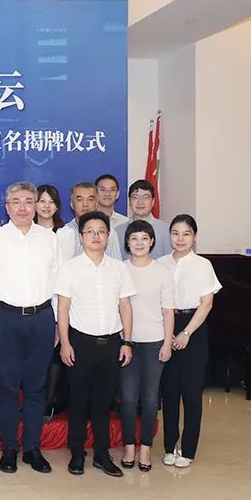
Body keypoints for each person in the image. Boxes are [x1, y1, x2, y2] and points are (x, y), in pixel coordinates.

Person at [0, 182, 59, 474]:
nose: (23, 207)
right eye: (16, 201)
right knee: (7, 387)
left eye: (29, 201)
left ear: (37, 205)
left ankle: (32, 448)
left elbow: (58, 283)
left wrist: (57, 323)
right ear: (7, 207)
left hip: (42, 318)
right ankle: (9, 449)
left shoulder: (50, 239)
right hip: (6, 318)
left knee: (36, 387)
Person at [55, 210, 135, 477]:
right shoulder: (70, 268)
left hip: (111, 343)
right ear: (81, 237)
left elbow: (125, 306)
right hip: (80, 342)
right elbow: (63, 308)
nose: (96, 236)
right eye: (90, 231)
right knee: (78, 401)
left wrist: (127, 342)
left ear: (108, 236)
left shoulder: (119, 268)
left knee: (103, 403)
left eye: (101, 231)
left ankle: (102, 454)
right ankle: (77, 453)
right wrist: (65, 343)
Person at [157, 214, 221, 468]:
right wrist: (168, 333)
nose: (180, 238)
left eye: (186, 234)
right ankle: (169, 446)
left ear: (194, 236)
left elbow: (207, 304)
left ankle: (188, 449)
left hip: (193, 327)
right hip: (166, 326)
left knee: (192, 393)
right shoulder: (160, 264)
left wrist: (186, 333)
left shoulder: (203, 265)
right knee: (170, 392)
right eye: (175, 233)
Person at [120, 220, 175, 472]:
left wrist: (167, 343)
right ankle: (129, 446)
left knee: (151, 399)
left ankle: (145, 448)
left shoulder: (162, 271)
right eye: (134, 238)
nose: (139, 243)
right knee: (128, 398)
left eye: (144, 238)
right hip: (126, 343)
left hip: (155, 342)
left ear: (152, 241)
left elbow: (168, 311)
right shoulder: (120, 269)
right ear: (127, 242)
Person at [35, 184, 68, 422]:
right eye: (42, 201)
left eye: (51, 201)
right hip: (35, 301)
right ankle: (34, 401)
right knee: (35, 357)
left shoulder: (66, 233)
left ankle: (49, 403)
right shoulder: (27, 233)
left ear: (57, 206)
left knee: (55, 356)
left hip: (62, 301)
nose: (46, 206)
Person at [57, 182, 123, 261]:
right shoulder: (63, 232)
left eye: (90, 199)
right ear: (71, 204)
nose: (85, 204)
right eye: (80, 200)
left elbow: (116, 265)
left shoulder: (109, 233)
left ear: (96, 203)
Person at [114, 180, 172, 260]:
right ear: (129, 201)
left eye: (145, 197)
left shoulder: (166, 231)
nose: (140, 202)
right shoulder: (117, 232)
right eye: (135, 197)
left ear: (153, 202)